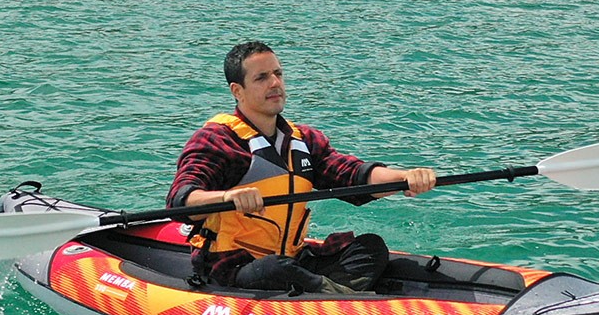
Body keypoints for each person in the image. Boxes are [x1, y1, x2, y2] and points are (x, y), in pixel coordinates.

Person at [167, 41, 437, 293]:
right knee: (274, 269)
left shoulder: (304, 140)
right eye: (261, 78)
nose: (275, 83)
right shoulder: (218, 140)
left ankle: (319, 291)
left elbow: (351, 174)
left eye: (278, 74)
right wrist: (227, 197)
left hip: (293, 258)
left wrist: (404, 177)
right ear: (237, 91)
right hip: (234, 266)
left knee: (370, 247)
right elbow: (181, 199)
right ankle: (337, 297)